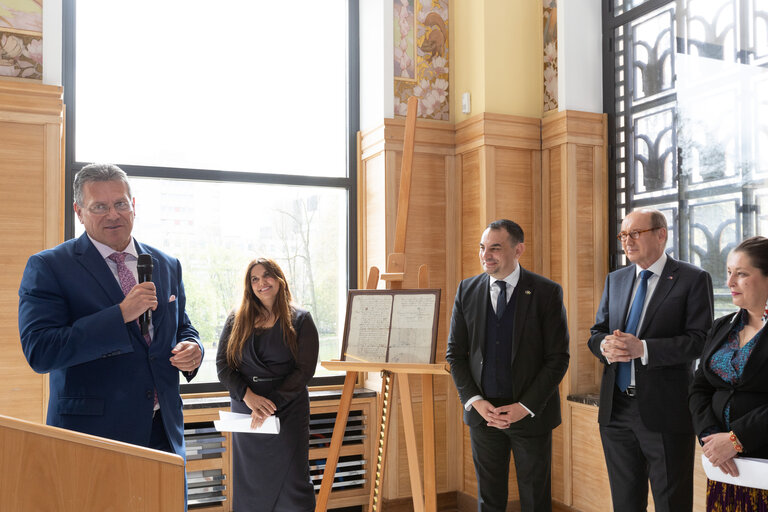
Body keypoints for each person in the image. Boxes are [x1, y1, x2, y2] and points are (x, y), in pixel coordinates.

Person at [18, 163, 203, 458]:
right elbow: (40, 351)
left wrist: (193, 348)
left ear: (133, 205)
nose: (113, 214)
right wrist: (119, 315)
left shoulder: (167, 263)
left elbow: (183, 327)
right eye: (99, 207)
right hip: (94, 437)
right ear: (79, 212)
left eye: (120, 204)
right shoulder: (49, 267)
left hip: (165, 431)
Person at [588, 208, 714, 512]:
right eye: (623, 235)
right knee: (625, 504)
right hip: (616, 410)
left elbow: (700, 340)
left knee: (671, 503)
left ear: (661, 234)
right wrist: (604, 345)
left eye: (635, 233)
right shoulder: (615, 279)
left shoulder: (692, 278)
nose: (627, 241)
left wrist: (643, 349)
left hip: (665, 411)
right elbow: (597, 331)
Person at [446, 219, 569, 512]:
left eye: (495, 248)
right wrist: (475, 402)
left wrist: (523, 407)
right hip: (483, 415)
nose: (486, 255)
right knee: (489, 499)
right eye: (483, 248)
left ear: (518, 250)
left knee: (535, 498)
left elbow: (558, 358)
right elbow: (455, 354)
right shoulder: (467, 290)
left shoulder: (546, 292)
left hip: (530, 413)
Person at [216, 258, 319, 512]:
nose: (261, 282)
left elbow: (305, 370)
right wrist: (248, 397)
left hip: (288, 409)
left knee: (294, 481)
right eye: (254, 279)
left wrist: (270, 404)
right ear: (249, 286)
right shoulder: (236, 319)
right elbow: (222, 366)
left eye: (267, 276)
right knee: (250, 483)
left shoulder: (302, 320)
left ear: (279, 279)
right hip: (246, 409)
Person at [689, 236, 768, 510]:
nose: (730, 282)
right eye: (728, 272)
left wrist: (737, 439)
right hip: (725, 465)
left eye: (742, 274)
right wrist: (711, 438)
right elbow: (699, 388)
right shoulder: (722, 326)